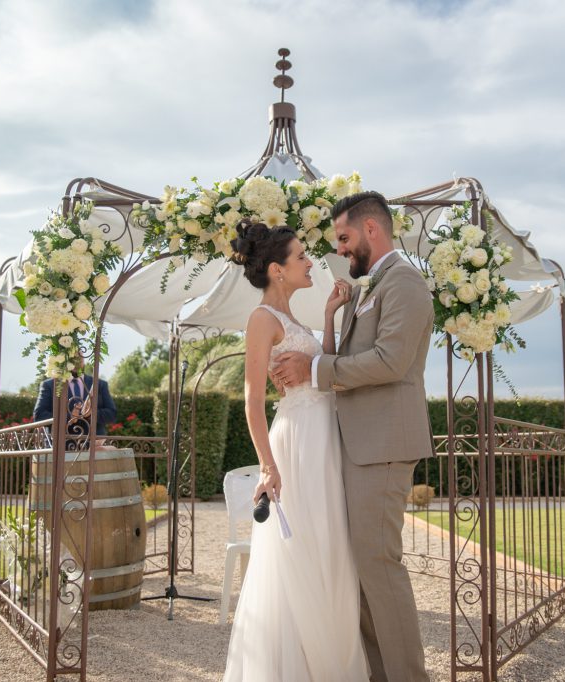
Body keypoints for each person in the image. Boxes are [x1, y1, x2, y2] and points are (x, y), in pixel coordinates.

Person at [271, 191, 434, 682]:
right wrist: (332, 318)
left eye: (343, 238)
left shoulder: (404, 283)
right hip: (355, 446)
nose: (339, 250)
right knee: (358, 572)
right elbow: (353, 359)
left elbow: (389, 362)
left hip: (383, 448)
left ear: (371, 230)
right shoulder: (367, 289)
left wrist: (314, 367)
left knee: (379, 568)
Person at [222, 220, 367, 681]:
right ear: (276, 270)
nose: (310, 263)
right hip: (298, 439)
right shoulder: (262, 319)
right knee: (301, 547)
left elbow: (320, 367)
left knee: (329, 543)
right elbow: (252, 399)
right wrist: (268, 465)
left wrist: (327, 317)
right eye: (301, 256)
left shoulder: (296, 320)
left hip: (325, 435)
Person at [32, 354, 117, 447]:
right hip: (61, 448)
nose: (76, 361)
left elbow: (112, 414)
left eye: (80, 357)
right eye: (73, 357)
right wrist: (69, 417)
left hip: (94, 447)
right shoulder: (50, 385)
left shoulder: (100, 384)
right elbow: (39, 415)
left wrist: (91, 414)